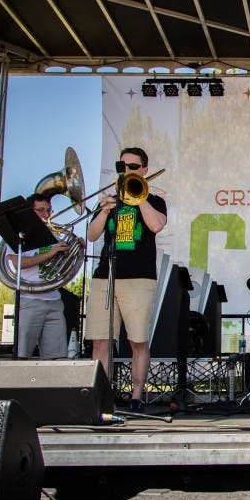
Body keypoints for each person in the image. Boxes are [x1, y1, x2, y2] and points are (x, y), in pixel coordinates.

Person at [86, 147, 167, 413]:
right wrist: (104, 212)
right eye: (122, 166)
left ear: (144, 170)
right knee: (100, 340)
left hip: (139, 278)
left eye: (133, 166)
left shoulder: (154, 200)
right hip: (105, 277)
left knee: (137, 340)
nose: (127, 171)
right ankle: (102, 395)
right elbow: (92, 235)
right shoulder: (109, 201)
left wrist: (138, 195)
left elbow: (156, 225)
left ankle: (136, 395)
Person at [6, 193, 69, 359]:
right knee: (22, 354)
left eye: (49, 210)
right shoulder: (18, 236)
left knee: (56, 357)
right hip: (30, 298)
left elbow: (63, 267)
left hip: (54, 299)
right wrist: (49, 254)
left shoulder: (54, 235)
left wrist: (74, 249)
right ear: (29, 211)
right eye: (41, 210)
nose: (46, 215)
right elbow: (18, 263)